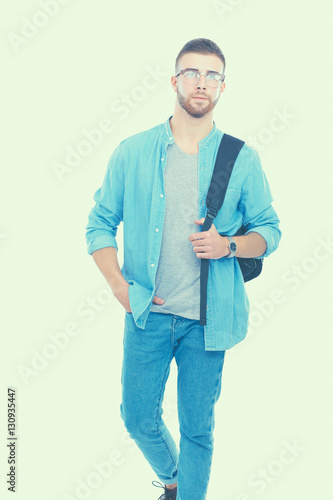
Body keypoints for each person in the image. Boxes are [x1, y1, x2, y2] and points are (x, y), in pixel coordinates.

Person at [85, 38, 281, 500]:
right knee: (137, 418)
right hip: (147, 313)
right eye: (192, 73)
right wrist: (118, 286)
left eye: (212, 75)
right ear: (175, 81)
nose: (201, 83)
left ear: (222, 87)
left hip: (208, 323)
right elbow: (99, 224)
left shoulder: (240, 158)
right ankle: (176, 481)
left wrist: (228, 244)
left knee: (198, 430)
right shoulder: (133, 151)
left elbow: (269, 231)